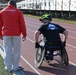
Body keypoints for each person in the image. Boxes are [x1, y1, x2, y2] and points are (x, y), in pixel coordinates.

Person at [0, 0, 27, 72]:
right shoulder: (18, 12)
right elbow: (22, 24)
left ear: (8, 4)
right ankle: (15, 67)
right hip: (16, 34)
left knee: (7, 50)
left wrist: (0, 34)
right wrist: (24, 34)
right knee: (16, 51)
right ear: (15, 5)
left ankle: (8, 67)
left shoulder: (2, 12)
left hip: (6, 34)